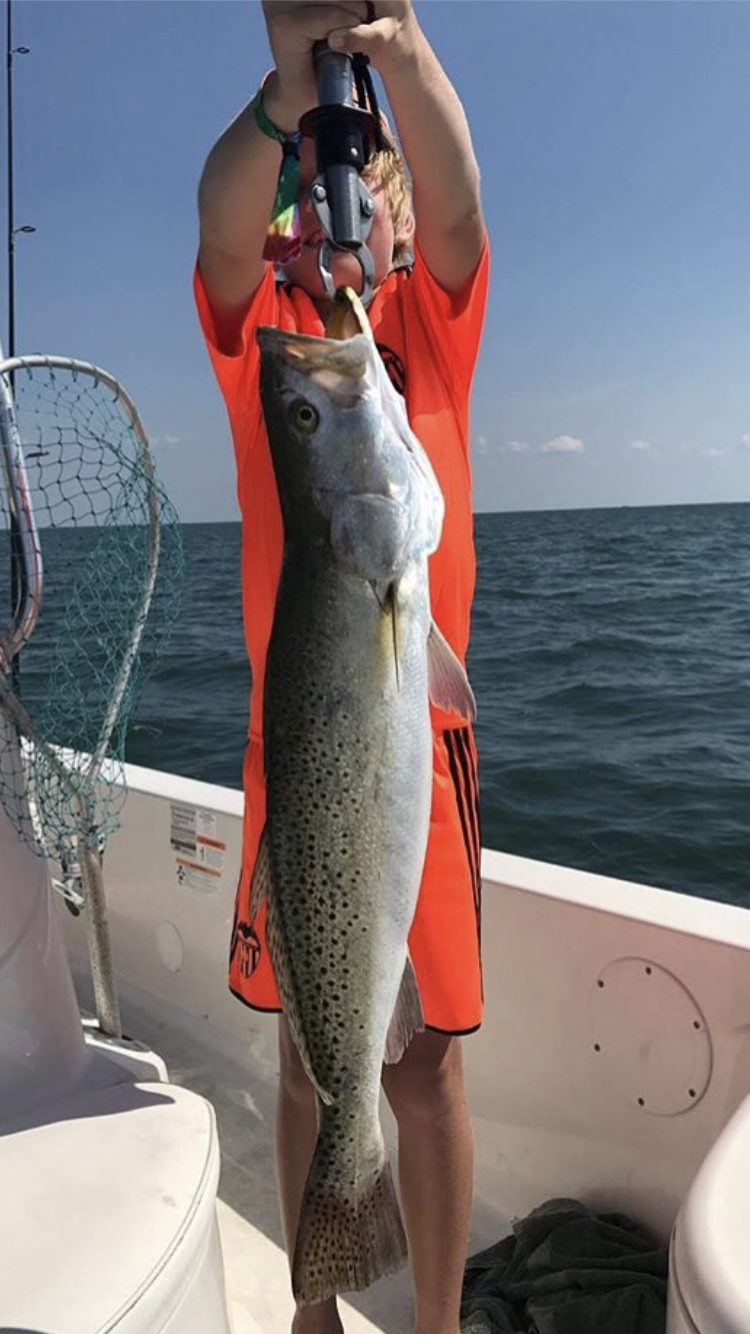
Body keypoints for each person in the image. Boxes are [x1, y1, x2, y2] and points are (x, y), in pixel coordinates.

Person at [195, 5, 488, 1332]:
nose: (325, 239)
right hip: (297, 753)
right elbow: (218, 222)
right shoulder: (271, 348)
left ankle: (429, 1322)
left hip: (414, 757)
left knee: (422, 1070)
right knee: (311, 1058)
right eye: (298, 224)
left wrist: (404, 51)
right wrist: (283, 89)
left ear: (397, 228)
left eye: (357, 210)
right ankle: (313, 1313)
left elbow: (460, 208)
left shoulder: (420, 335)